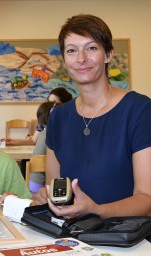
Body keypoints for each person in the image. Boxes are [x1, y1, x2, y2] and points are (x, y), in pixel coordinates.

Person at [33, 14, 151, 219]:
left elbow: (146, 198)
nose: (81, 58)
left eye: (92, 48)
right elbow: (55, 186)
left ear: (108, 54)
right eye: (71, 50)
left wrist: (96, 210)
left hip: (126, 240)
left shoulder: (139, 109)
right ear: (64, 59)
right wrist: (46, 196)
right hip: (72, 238)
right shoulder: (58, 117)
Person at [5, 87, 72, 147]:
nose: (50, 106)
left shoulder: (72, 121)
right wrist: (15, 142)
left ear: (65, 104)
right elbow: (33, 140)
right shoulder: (45, 119)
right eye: (49, 102)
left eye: (54, 103)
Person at [28, 101, 60, 194]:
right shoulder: (64, 134)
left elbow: (37, 160)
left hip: (40, 188)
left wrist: (34, 187)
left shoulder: (44, 135)